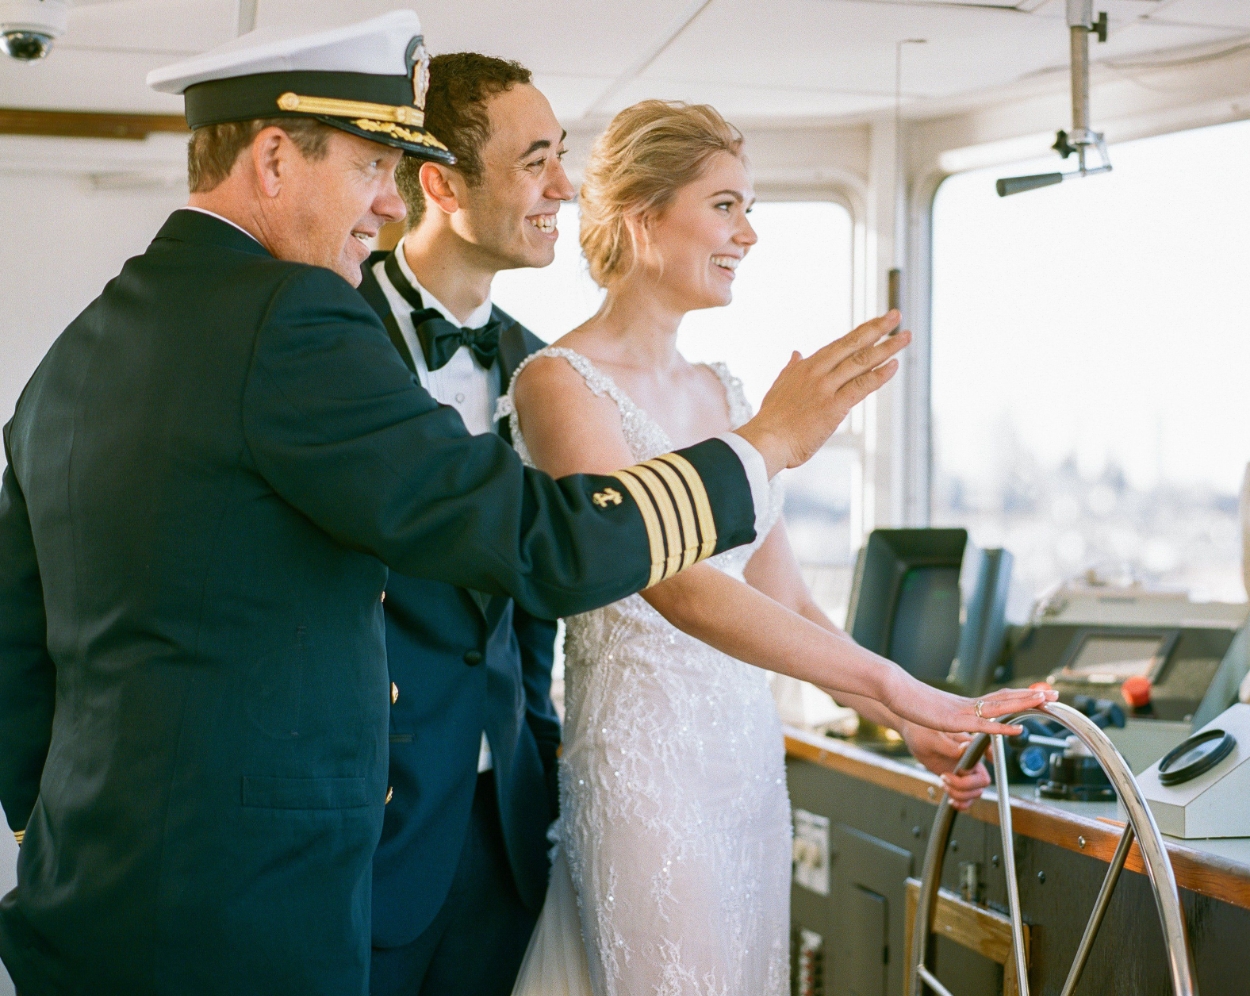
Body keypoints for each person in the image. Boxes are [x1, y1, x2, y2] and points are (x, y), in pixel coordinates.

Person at [0, 12, 922, 996]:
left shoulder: (79, 350)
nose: (386, 207)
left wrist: (56, 816)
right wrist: (761, 448)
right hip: (249, 913)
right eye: (368, 168)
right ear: (273, 158)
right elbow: (542, 542)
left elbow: (19, 636)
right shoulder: (288, 315)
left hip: (91, 901)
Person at [503, 101, 1052, 995]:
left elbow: (785, 597)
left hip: (747, 769)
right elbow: (671, 583)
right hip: (648, 780)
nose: (749, 234)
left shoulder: (724, 392)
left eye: (748, 207)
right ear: (644, 217)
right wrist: (895, 683)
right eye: (725, 206)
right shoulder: (559, 385)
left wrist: (902, 716)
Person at [353, 54, 576, 996]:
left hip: (504, 820)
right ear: (441, 183)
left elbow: (536, 595)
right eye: (537, 161)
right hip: (365, 822)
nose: (565, 187)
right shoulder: (326, 340)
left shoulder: (542, 369)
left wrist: (541, 756)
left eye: (561, 157)